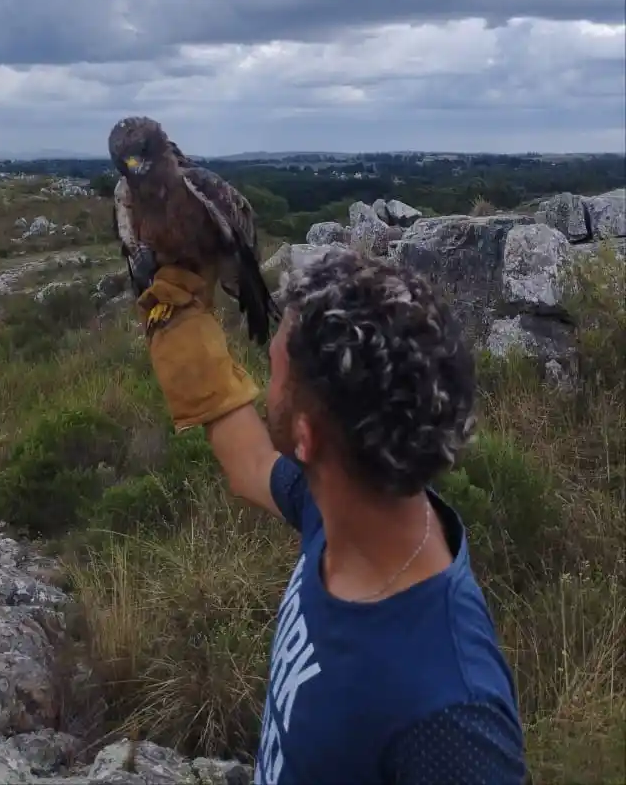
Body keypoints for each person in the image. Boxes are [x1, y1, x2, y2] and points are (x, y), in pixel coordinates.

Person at [136, 247, 529, 785]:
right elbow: (250, 462)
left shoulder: (451, 714)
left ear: (306, 435)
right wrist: (183, 331)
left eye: (272, 371)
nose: (265, 385)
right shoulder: (347, 506)